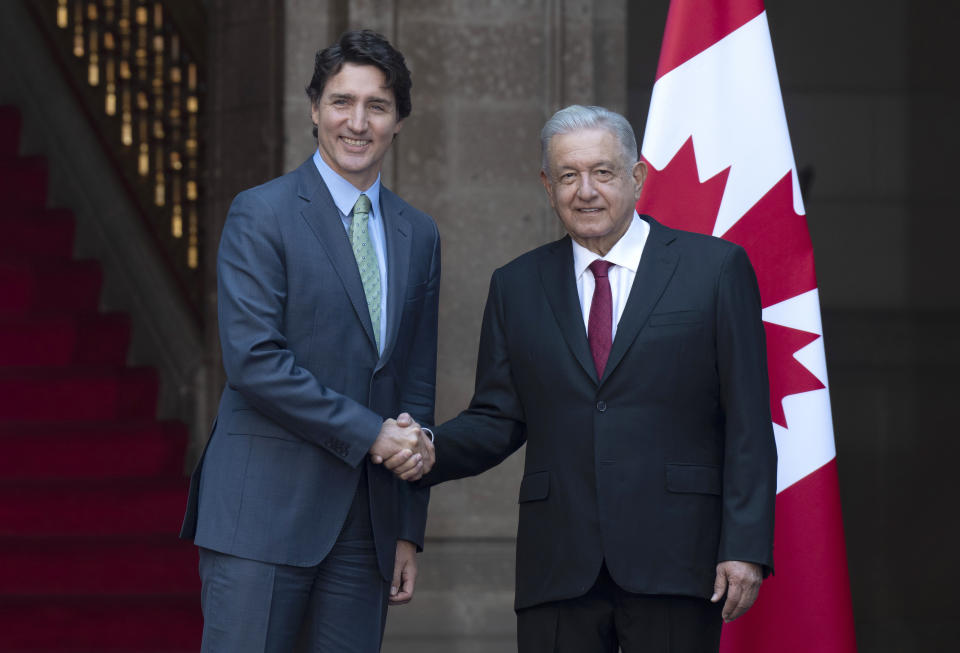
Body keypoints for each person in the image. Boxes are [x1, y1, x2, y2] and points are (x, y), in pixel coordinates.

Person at [414, 105, 777, 652]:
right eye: (568, 175)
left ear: (636, 178)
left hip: (677, 559)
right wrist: (424, 448)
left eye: (603, 172)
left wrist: (744, 544)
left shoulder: (716, 270)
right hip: (559, 565)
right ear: (547, 185)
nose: (585, 190)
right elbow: (496, 419)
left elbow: (748, 420)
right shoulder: (516, 285)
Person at [180, 29, 438, 652]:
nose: (357, 122)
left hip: (365, 528)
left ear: (399, 120)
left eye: (376, 106)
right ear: (314, 109)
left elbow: (415, 383)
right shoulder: (260, 212)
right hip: (261, 515)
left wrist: (405, 525)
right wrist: (373, 434)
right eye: (341, 102)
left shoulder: (418, 234)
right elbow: (254, 362)